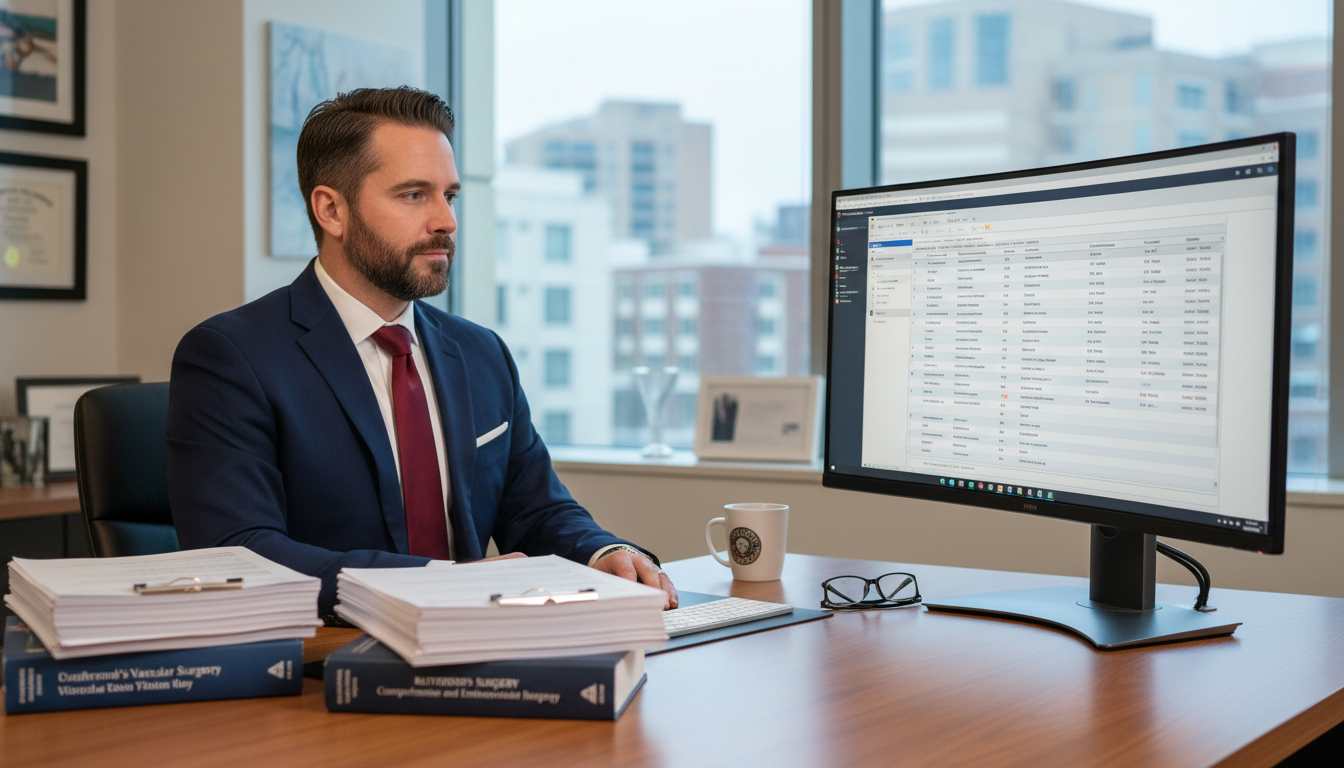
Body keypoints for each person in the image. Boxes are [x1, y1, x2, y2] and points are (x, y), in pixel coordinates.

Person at [166, 86, 677, 619]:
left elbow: (536, 507)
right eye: (414, 195)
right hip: (330, 664)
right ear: (331, 210)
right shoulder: (231, 357)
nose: (446, 222)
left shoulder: (481, 353)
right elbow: (241, 553)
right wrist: (440, 586)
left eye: (449, 196)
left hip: (484, 649)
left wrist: (605, 551)